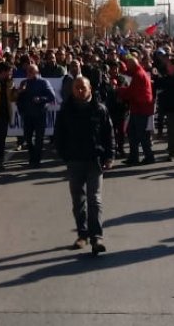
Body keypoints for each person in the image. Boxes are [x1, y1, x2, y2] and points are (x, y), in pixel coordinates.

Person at [54, 77, 113, 255]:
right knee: (78, 200)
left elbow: (108, 134)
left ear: (90, 89)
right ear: (72, 90)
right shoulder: (66, 110)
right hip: (74, 161)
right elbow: (59, 135)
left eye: (83, 88)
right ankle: (83, 234)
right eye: (77, 88)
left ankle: (97, 237)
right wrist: (65, 155)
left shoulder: (100, 109)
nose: (80, 91)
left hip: (95, 160)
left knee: (94, 199)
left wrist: (109, 156)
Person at [15, 64, 57, 168]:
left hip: (39, 114)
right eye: (28, 71)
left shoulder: (43, 82)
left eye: (31, 71)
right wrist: (20, 92)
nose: (28, 73)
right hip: (27, 115)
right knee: (28, 138)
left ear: (36, 72)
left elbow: (52, 96)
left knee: (39, 139)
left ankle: (36, 160)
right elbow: (18, 98)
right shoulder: (24, 82)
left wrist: (41, 99)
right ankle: (32, 156)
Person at [117, 55, 155, 165]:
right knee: (132, 133)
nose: (127, 67)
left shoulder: (138, 75)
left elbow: (132, 92)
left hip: (141, 108)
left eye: (128, 65)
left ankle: (148, 157)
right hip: (138, 108)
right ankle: (134, 157)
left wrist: (120, 91)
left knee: (141, 134)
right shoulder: (139, 72)